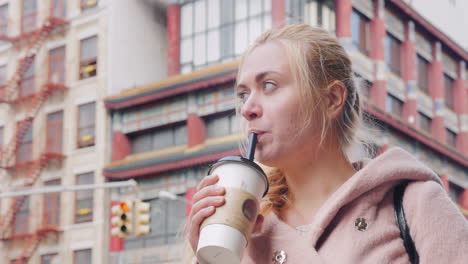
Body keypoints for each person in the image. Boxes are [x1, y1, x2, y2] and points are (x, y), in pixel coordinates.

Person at [185, 24, 468, 263]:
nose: (248, 108)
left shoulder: (415, 202)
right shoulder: (243, 233)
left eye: (269, 85)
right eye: (243, 94)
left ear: (331, 99)